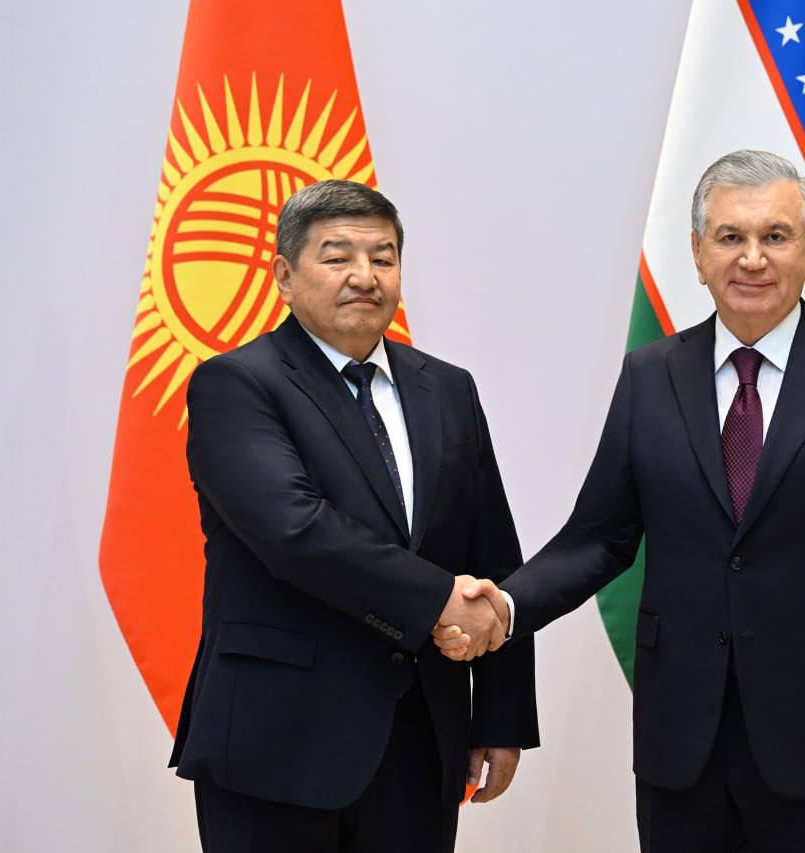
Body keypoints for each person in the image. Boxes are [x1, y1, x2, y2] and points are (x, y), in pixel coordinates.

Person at [435, 150, 805, 852]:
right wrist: (505, 606)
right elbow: (599, 538)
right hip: (681, 741)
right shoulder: (650, 374)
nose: (752, 258)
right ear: (699, 254)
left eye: (775, 236)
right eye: (731, 236)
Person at [169, 179, 538, 853]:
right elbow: (294, 529)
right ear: (284, 276)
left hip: (421, 738)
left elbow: (492, 551)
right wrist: (439, 598)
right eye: (337, 257)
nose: (365, 276)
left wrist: (501, 713)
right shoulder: (238, 383)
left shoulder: (447, 388)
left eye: (383, 257)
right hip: (276, 740)